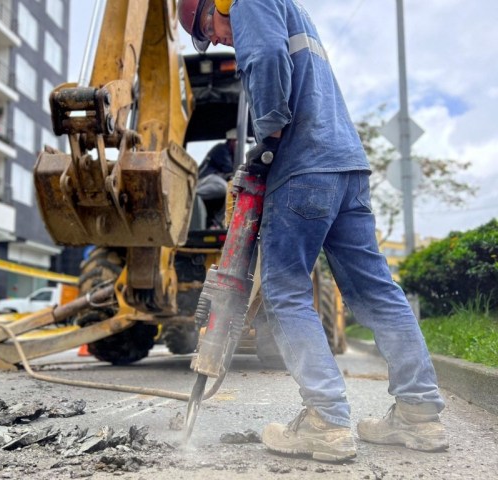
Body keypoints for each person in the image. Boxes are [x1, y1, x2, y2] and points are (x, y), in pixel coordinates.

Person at [178, 0, 448, 462]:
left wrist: (267, 140)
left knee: (285, 291)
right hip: (347, 166)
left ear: (214, 5)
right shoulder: (291, 8)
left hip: (303, 169)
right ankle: (419, 414)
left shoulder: (246, 1)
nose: (218, 40)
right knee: (376, 290)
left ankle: (326, 422)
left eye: (209, 28)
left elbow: (264, 59)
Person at [196, 128, 237, 228]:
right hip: (203, 179)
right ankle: (190, 196)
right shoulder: (222, 149)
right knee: (225, 187)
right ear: (232, 140)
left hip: (213, 180)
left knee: (232, 192)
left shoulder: (231, 154)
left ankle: (217, 223)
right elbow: (229, 171)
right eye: (237, 141)